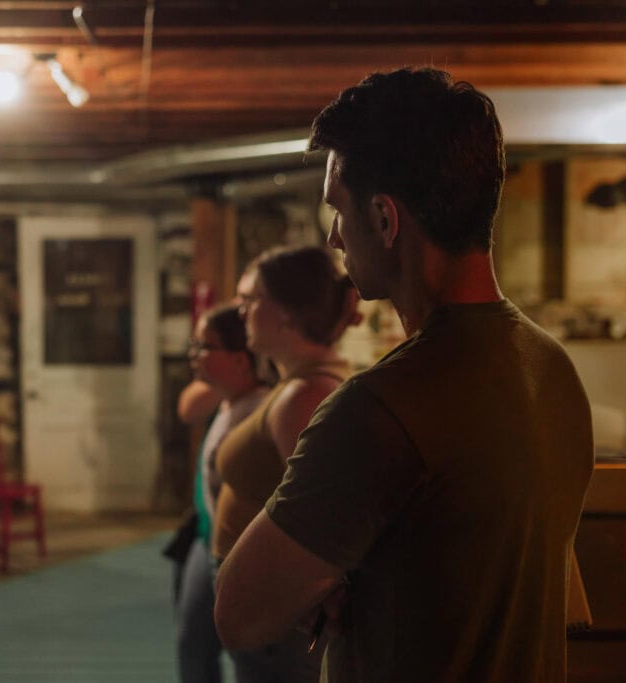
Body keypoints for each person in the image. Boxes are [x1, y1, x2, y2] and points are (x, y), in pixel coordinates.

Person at [214, 67, 594, 682]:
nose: (334, 236)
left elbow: (240, 614)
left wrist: (329, 576)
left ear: (385, 219)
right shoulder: (551, 369)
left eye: (338, 209)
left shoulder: (379, 410)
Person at [213, 245, 357, 682]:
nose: (241, 311)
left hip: (278, 609)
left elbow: (325, 515)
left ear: (287, 313)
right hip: (269, 602)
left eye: (251, 299)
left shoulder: (304, 395)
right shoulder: (295, 384)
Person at [169, 302, 270, 683]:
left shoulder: (263, 411)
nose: (193, 356)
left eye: (204, 347)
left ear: (241, 358)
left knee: (251, 659)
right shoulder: (228, 401)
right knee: (192, 642)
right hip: (207, 538)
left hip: (242, 553)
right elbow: (188, 408)